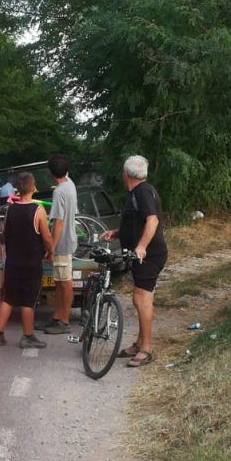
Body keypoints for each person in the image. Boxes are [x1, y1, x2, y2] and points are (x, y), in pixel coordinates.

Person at [100, 154, 168, 368]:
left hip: (149, 255)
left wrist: (141, 247)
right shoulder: (139, 192)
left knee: (141, 299)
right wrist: (117, 233)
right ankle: (139, 343)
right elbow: (136, 223)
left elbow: (152, 221)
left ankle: (146, 349)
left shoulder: (142, 192)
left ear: (126, 174)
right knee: (140, 298)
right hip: (143, 254)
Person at [0, 172, 53, 349]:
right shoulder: (38, 211)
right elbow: (47, 237)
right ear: (33, 187)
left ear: (18, 189)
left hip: (13, 262)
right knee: (28, 300)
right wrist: (50, 252)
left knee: (8, 297)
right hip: (31, 263)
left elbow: (5, 234)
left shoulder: (10, 210)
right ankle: (27, 336)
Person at [40, 155, 78, 334]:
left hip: (62, 243)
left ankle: (64, 320)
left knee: (65, 282)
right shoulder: (70, 184)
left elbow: (59, 222)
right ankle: (57, 316)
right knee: (59, 281)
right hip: (68, 239)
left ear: (51, 173)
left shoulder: (59, 191)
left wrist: (51, 247)